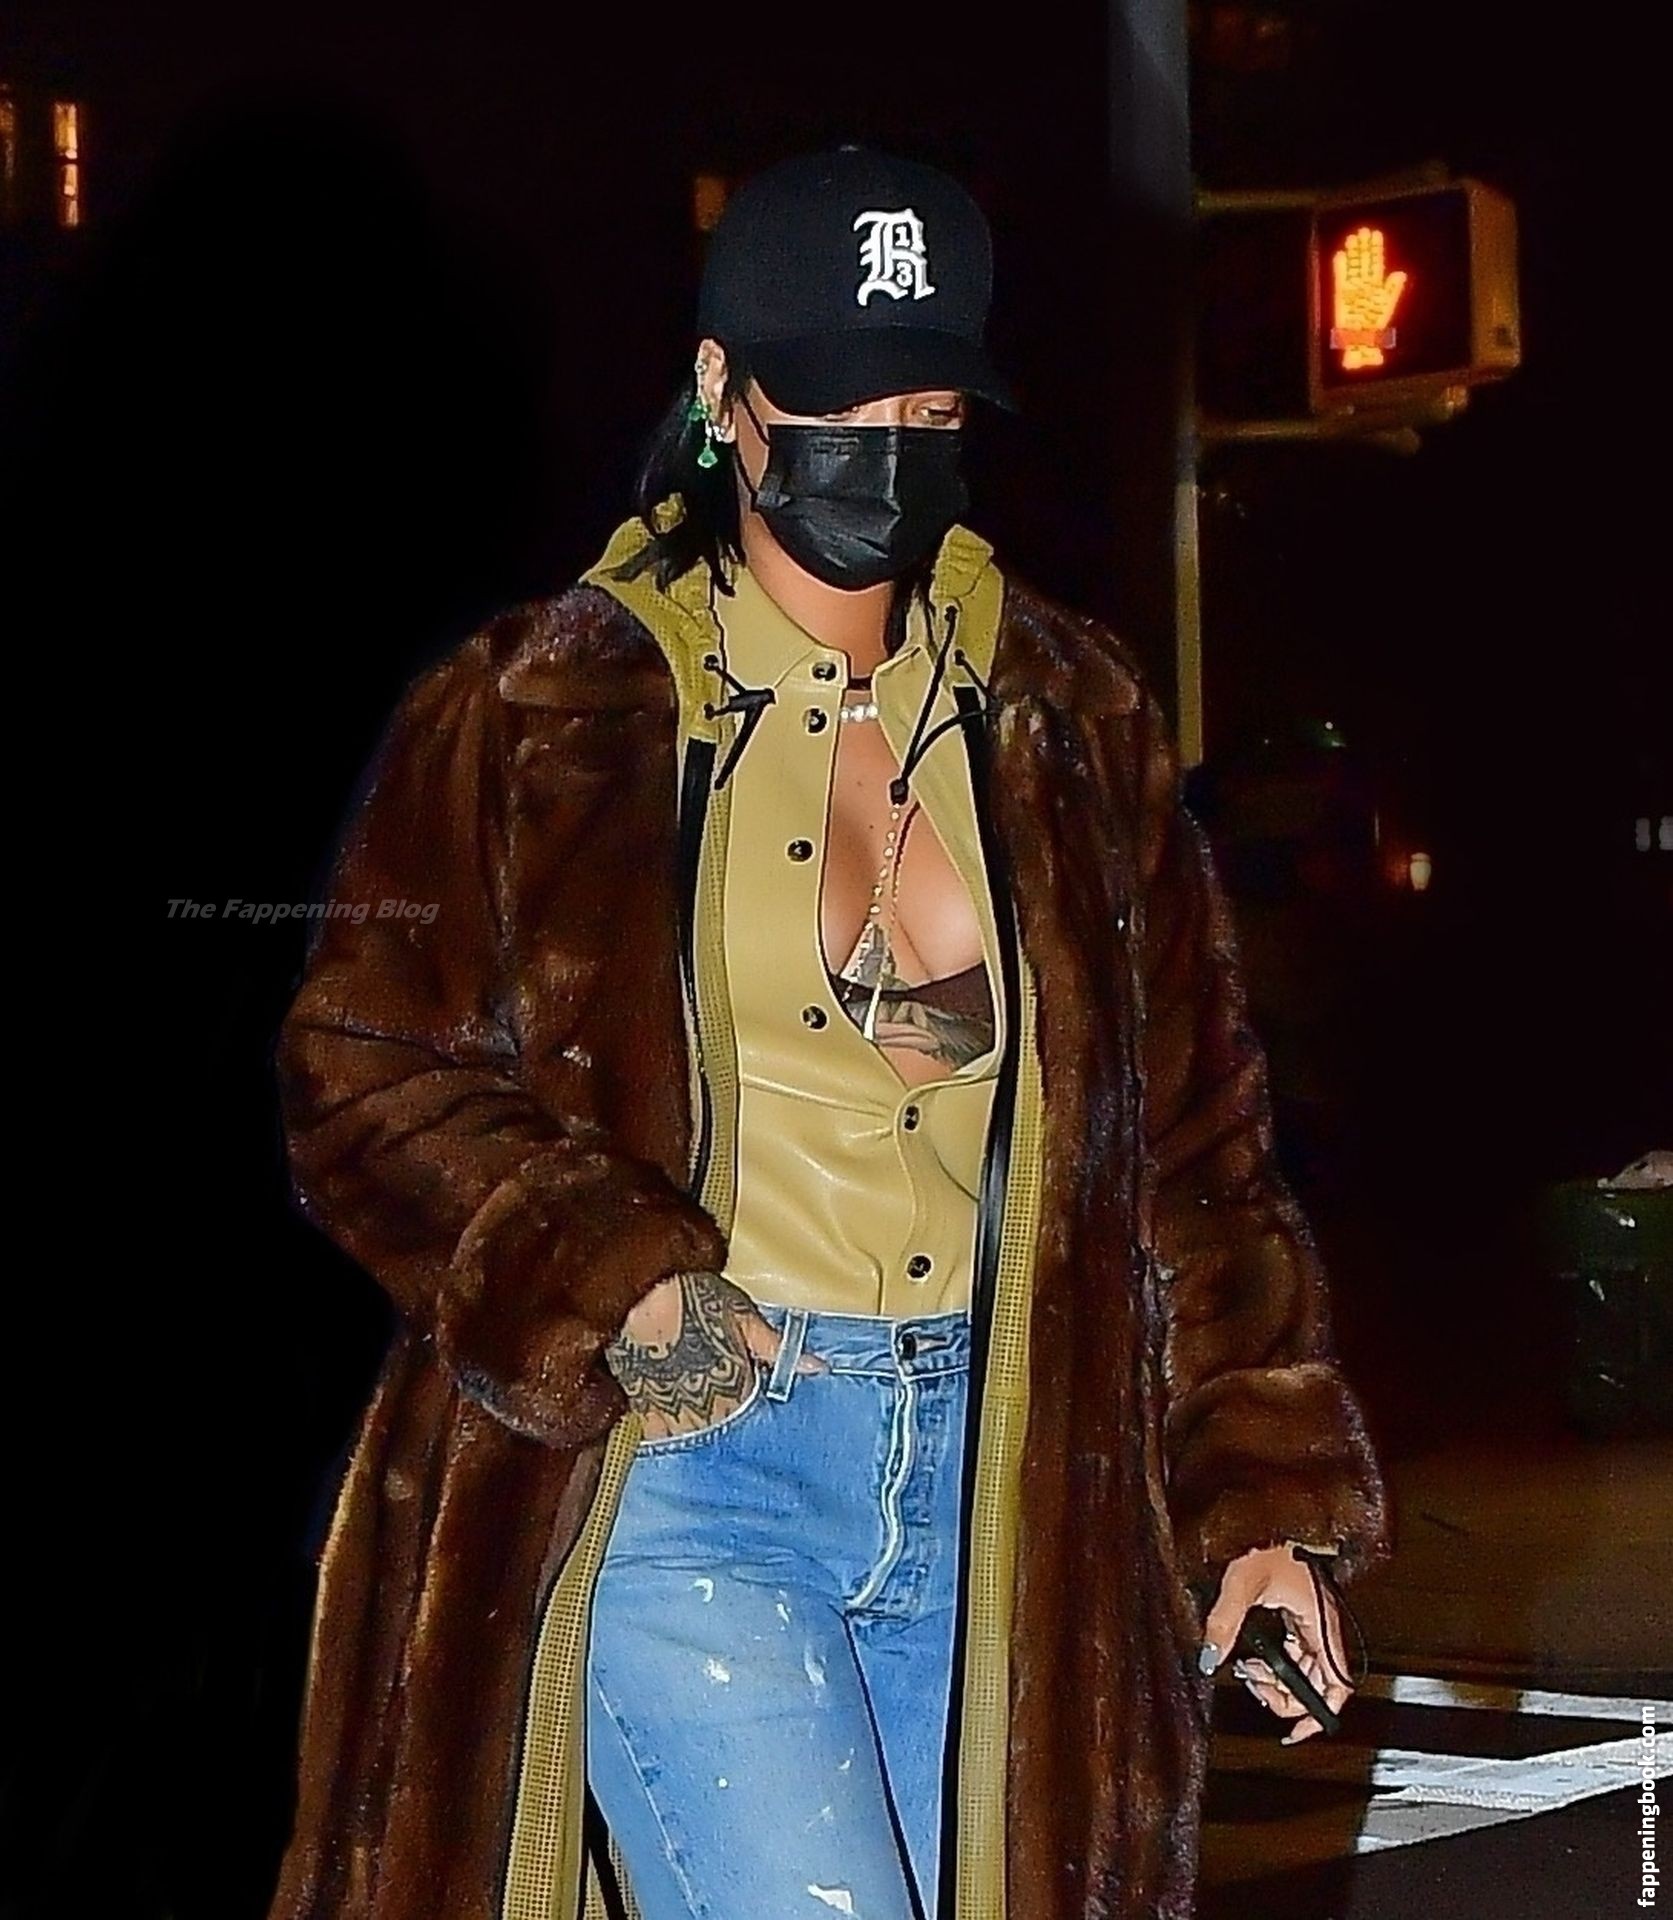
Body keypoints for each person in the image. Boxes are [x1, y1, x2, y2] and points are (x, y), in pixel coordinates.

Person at [266, 144, 1390, 1920]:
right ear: (722, 391)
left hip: (1011, 1492)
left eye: (926, 408)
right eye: (838, 404)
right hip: (692, 1472)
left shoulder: (1066, 720)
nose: (886, 448)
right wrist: (617, 1279)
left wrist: (1255, 1506)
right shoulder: (543, 709)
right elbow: (364, 1072)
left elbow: (1197, 1160)